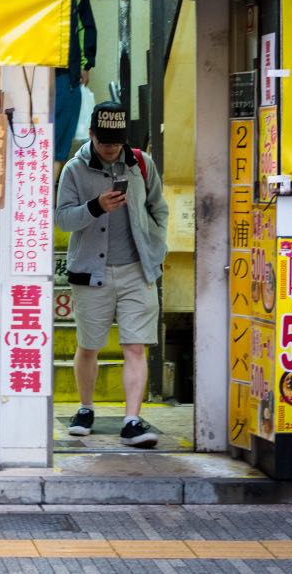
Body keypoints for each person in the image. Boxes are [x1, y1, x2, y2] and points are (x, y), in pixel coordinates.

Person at [55, 102, 169, 448]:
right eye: (104, 141)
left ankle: (132, 420)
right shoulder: (74, 170)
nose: (110, 147)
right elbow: (62, 219)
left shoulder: (141, 164)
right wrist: (96, 206)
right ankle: (86, 408)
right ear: (91, 134)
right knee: (89, 345)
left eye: (116, 141)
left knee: (135, 346)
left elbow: (158, 208)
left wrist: (155, 247)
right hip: (92, 270)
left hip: (138, 270)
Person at [54, 0, 97, 184]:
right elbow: (86, 27)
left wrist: (84, 64)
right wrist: (84, 64)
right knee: (57, 147)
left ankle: (42, 200)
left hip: (51, 74)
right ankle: (45, 202)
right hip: (64, 76)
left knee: (49, 145)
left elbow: (85, 27)